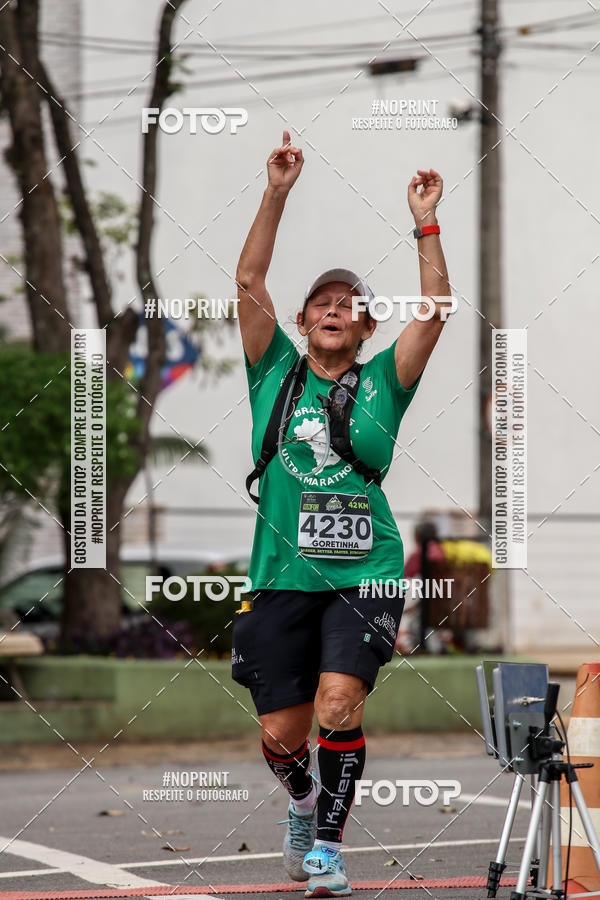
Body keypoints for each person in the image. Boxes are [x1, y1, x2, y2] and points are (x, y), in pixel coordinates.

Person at [232, 130, 452, 898]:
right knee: (282, 734)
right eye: (322, 302)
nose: (335, 309)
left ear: (364, 328)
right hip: (280, 573)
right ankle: (300, 800)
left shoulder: (384, 384)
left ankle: (326, 847)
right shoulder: (273, 374)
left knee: (337, 703)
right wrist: (277, 192)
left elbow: (435, 310)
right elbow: (250, 277)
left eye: (349, 305)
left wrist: (424, 220)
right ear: (303, 321)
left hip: (367, 571)